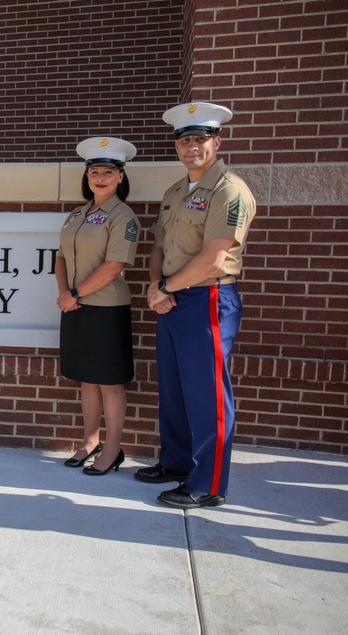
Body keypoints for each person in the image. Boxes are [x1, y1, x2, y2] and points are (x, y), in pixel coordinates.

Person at [136, 102, 256, 509]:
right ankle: (176, 462)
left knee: (207, 393)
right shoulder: (174, 192)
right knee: (174, 387)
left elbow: (213, 258)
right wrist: (157, 286)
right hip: (172, 298)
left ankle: (208, 483)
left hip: (207, 298)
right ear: (177, 146)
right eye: (185, 140)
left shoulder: (230, 190)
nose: (192, 147)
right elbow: (157, 245)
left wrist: (165, 287)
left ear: (216, 142)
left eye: (200, 140)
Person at [56, 137, 140, 476]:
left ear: (120, 177)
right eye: (94, 171)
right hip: (75, 306)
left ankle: (113, 448)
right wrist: (65, 294)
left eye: (108, 171)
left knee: (109, 381)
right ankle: (89, 441)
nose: (100, 177)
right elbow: (61, 257)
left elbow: (115, 266)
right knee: (86, 379)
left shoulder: (123, 216)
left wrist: (74, 294)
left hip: (106, 308)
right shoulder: (77, 214)